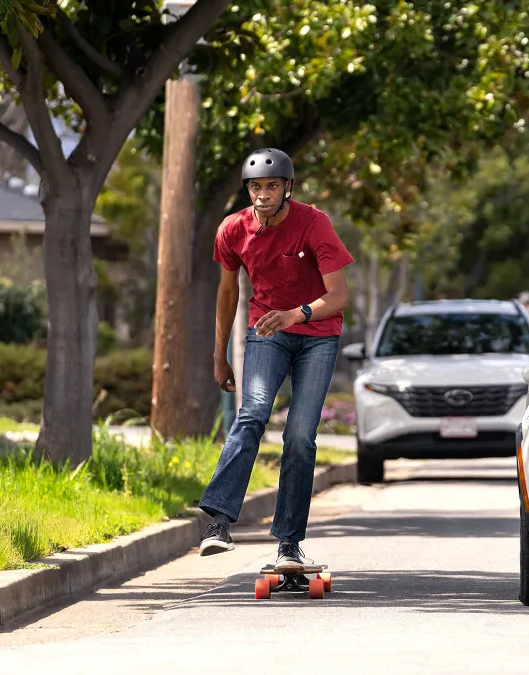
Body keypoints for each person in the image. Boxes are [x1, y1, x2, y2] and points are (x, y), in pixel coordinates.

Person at [197, 148, 354, 573]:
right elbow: (227, 293)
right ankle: (218, 524)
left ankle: (289, 543)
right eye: (254, 187)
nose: (262, 194)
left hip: (318, 336)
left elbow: (338, 295)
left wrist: (296, 313)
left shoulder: (313, 223)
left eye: (270, 186)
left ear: (287, 187)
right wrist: (220, 354)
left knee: (300, 437)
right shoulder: (233, 230)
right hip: (268, 333)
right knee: (252, 414)